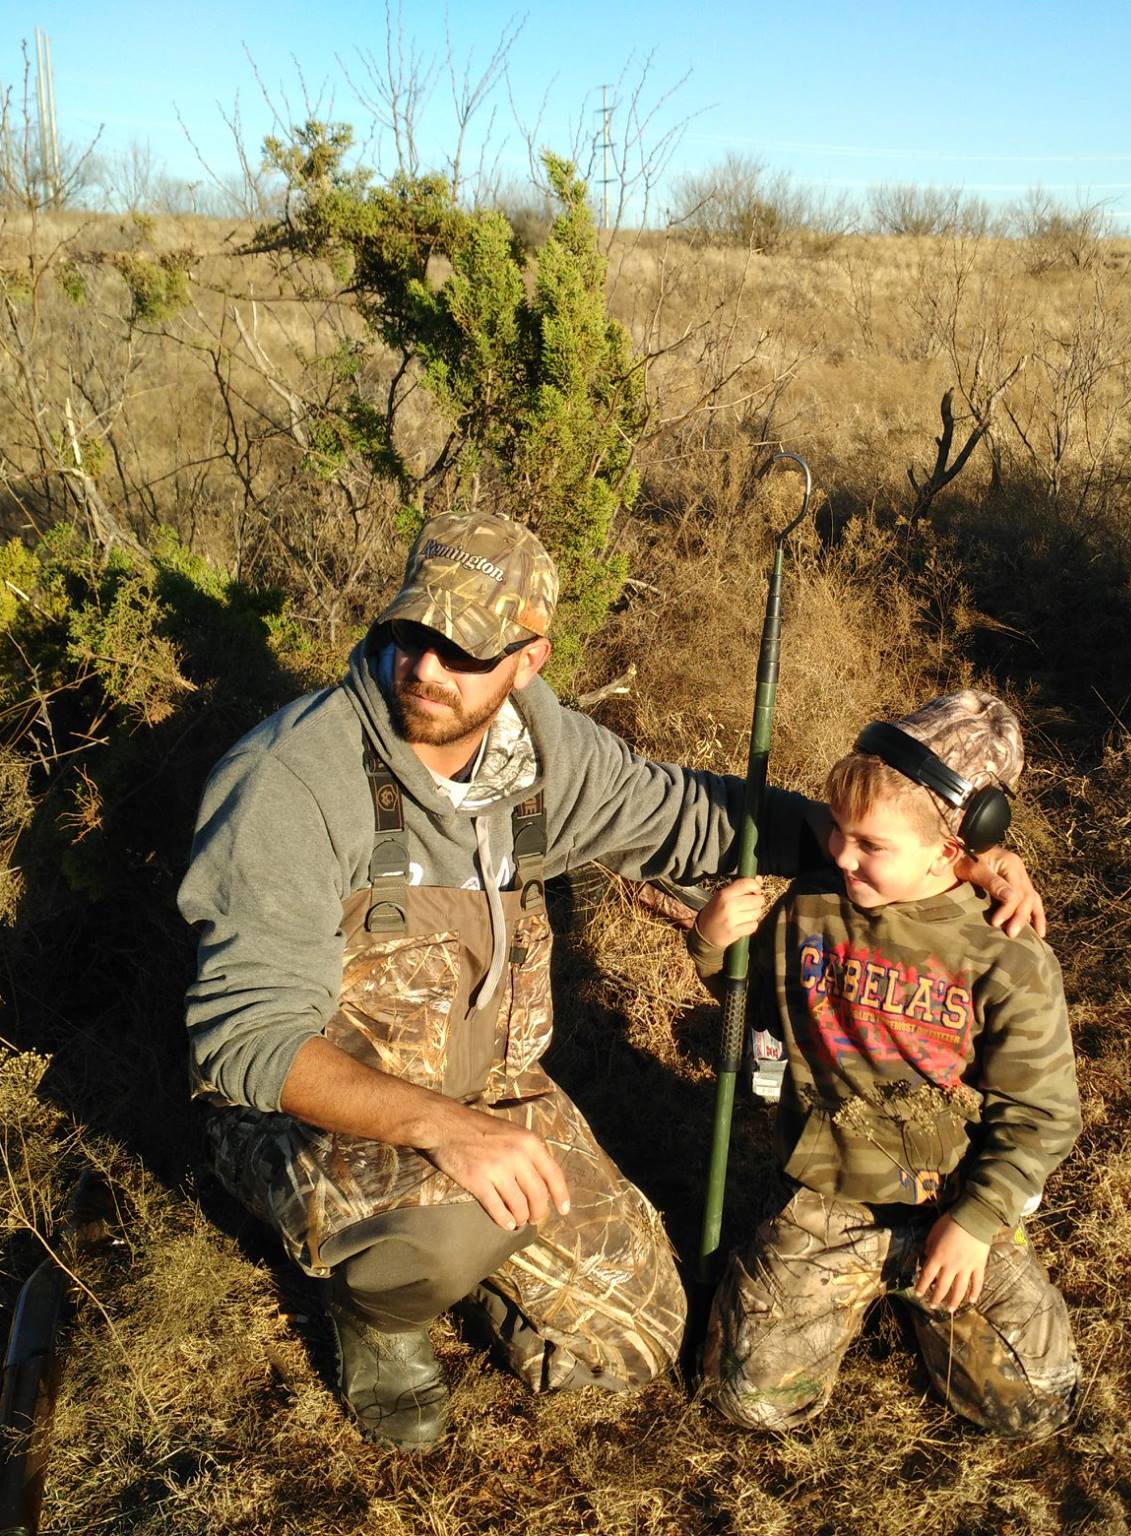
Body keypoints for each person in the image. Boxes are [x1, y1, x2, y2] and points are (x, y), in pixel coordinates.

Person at [177, 511, 1047, 1452]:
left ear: (528, 658)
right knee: (446, 1228)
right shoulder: (290, 780)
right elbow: (244, 1042)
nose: (425, 670)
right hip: (312, 1110)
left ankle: (465, 1254)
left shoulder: (550, 761)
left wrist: (966, 863)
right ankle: (377, 1309)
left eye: (464, 650)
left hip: (499, 1091)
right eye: (410, 636)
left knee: (640, 1344)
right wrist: (445, 1130)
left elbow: (706, 822)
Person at [690, 689, 1082, 1438]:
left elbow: (1043, 1114)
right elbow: (758, 1012)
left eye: (872, 845)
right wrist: (714, 945)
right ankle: (850, 1281)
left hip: (951, 1200)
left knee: (1035, 1403)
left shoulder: (1007, 954)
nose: (842, 854)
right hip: (828, 1197)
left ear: (955, 850)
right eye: (838, 831)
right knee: (750, 1397)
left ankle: (931, 1288)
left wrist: (978, 1217)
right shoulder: (809, 908)